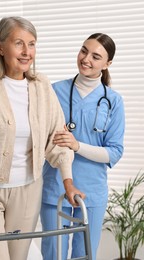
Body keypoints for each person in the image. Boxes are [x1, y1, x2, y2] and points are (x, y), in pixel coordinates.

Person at [0, 16, 84, 260]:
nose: (26, 52)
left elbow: (57, 138)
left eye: (32, 44)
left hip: (28, 191)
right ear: (1, 47)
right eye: (18, 43)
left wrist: (68, 180)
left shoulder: (41, 85)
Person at [40, 33, 125, 260]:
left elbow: (114, 151)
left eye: (96, 56)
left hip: (92, 192)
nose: (86, 59)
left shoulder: (113, 101)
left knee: (84, 255)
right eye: (84, 50)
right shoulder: (54, 91)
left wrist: (77, 145)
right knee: (53, 254)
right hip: (55, 187)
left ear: (107, 64)